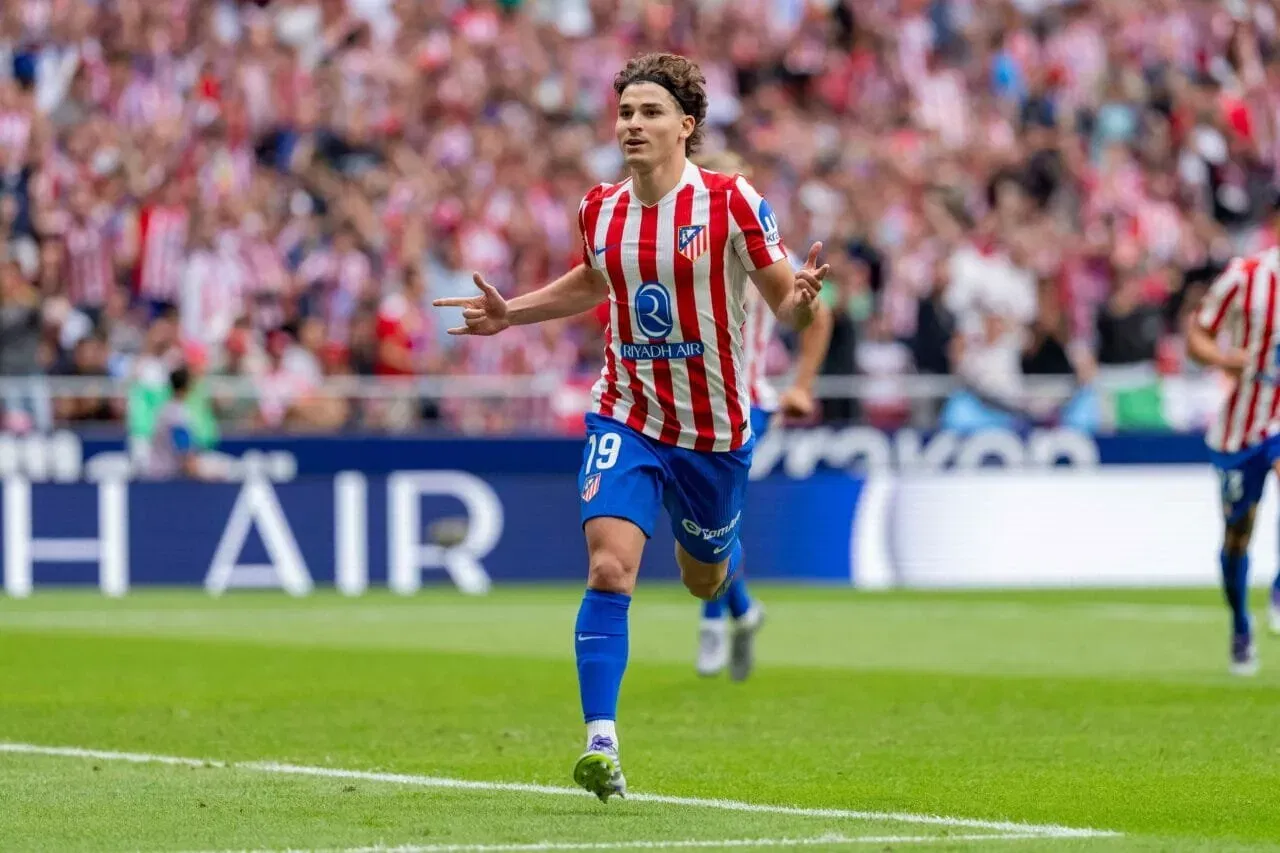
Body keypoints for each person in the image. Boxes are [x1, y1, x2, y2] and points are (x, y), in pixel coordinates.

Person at [432, 53, 827, 801]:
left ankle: (731, 596)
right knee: (611, 566)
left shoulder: (732, 201)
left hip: (713, 432)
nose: (632, 125)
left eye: (649, 113)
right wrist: (511, 311)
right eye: (624, 113)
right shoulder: (601, 207)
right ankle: (601, 742)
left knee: (701, 574)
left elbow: (788, 305)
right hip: (628, 411)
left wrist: (804, 298)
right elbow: (593, 278)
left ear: (687, 126)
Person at [689, 150, 833, 681]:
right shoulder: (677, 244)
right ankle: (743, 611)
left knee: (715, 513)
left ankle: (711, 622)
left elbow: (819, 318)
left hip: (746, 402)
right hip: (683, 403)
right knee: (695, 517)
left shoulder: (767, 249)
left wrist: (801, 386)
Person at [1186, 246, 1280, 675]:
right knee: (1237, 535)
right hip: (1243, 425)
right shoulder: (1246, 275)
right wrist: (1224, 358)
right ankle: (1241, 624)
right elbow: (1197, 334)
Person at [142, 365, 201, 480]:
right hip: (167, 475)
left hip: (158, 471)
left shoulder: (165, 409)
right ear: (187, 386)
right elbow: (185, 452)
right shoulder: (178, 414)